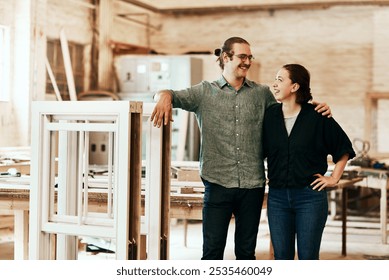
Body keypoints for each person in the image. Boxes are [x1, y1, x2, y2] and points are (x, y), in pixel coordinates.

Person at [151, 37, 331, 260]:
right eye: (242, 56)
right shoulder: (204, 92)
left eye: (249, 57)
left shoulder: (262, 93)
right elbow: (170, 94)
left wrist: (316, 107)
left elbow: (292, 110)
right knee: (212, 253)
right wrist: (163, 97)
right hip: (217, 183)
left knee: (246, 254)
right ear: (226, 57)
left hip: (251, 186)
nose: (247, 61)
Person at [263, 64, 356, 260]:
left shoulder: (317, 116)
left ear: (295, 86)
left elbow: (343, 148)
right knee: (281, 257)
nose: (274, 84)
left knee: (308, 257)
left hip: (309, 197)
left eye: (280, 79)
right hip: (277, 197)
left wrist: (333, 178)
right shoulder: (270, 115)